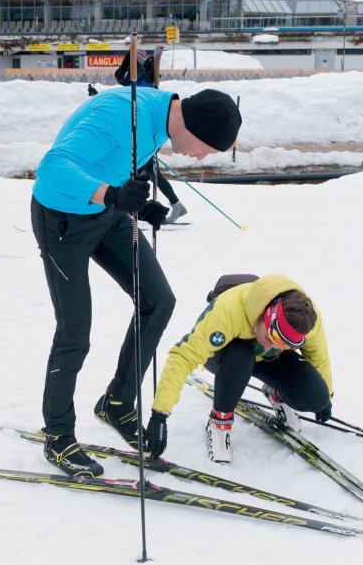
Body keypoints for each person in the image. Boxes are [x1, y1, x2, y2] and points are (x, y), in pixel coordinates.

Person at [32, 84, 242, 477]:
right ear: (194, 126)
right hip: (62, 218)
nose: (201, 156)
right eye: (206, 148)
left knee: (158, 301)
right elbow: (52, 166)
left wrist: (140, 203)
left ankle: (117, 402)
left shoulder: (163, 118)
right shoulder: (120, 115)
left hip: (106, 215)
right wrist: (112, 194)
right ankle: (58, 436)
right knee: (75, 330)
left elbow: (124, 163)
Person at [144, 274, 334, 464]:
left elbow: (318, 355)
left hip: (263, 359)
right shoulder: (228, 309)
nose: (270, 346)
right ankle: (219, 422)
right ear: (265, 316)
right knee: (241, 354)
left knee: (317, 397)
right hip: (225, 356)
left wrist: (326, 395)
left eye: (282, 344)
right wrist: (159, 414)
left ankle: (277, 392)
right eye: (270, 337)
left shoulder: (306, 318)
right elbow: (183, 356)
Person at [115, 47, 188, 224]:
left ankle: (131, 207)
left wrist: (156, 55)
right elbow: (120, 80)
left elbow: (149, 67)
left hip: (149, 132)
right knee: (147, 172)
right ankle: (175, 205)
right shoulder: (135, 79)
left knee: (139, 171)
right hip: (139, 131)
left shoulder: (147, 78)